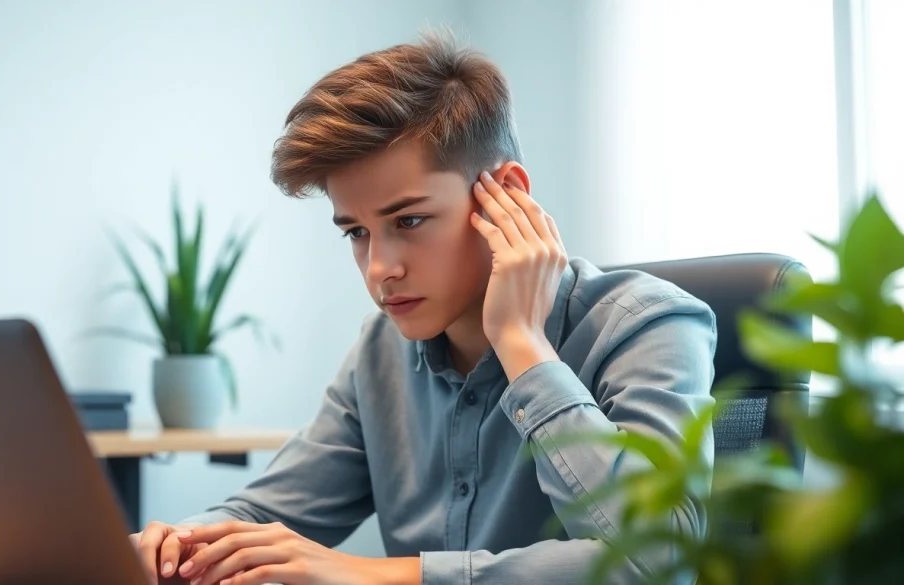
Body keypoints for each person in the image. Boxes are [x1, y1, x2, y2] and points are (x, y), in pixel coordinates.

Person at [130, 30, 716, 585]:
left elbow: (659, 558)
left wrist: (523, 346)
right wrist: (177, 544)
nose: (380, 267)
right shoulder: (381, 351)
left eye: (408, 221)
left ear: (506, 196)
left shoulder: (651, 323)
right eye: (356, 233)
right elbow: (266, 513)